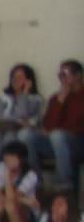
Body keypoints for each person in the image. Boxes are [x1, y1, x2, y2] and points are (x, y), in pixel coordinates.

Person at [33, 60, 84, 197]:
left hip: (78, 143)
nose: (61, 79)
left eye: (65, 75)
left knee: (57, 135)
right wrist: (60, 102)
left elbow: (77, 127)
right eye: (59, 75)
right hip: (56, 142)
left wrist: (56, 131)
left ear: (78, 75)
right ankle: (35, 181)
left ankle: (65, 183)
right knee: (26, 135)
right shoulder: (57, 98)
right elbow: (48, 126)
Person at [0, 62, 42, 160]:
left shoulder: (35, 99)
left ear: (28, 80)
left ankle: (11, 170)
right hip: (0, 128)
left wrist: (24, 94)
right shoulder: (2, 97)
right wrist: (15, 120)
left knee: (9, 138)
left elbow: (22, 115)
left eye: (20, 77)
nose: (15, 80)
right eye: (13, 77)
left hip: (18, 131)